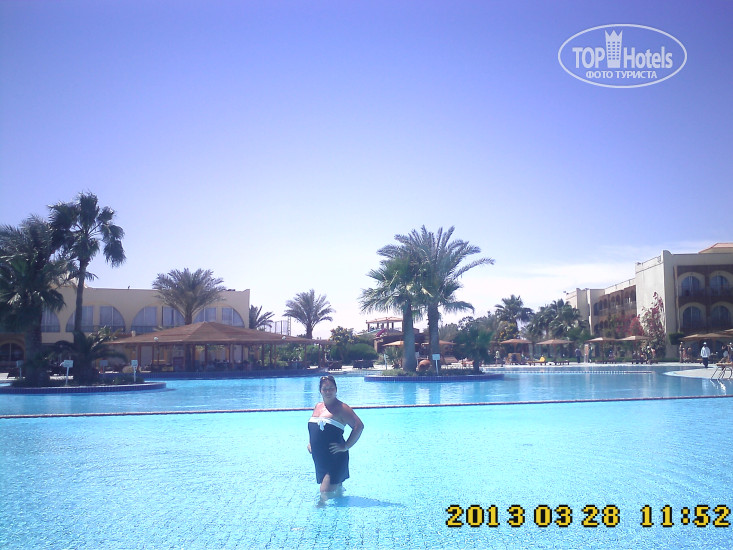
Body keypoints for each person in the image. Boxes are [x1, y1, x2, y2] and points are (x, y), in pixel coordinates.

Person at [307, 375, 364, 502]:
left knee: (324, 494)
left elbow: (359, 426)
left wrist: (346, 446)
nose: (328, 392)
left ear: (336, 389)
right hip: (320, 458)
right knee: (336, 493)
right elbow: (314, 428)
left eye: (331, 388)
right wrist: (311, 443)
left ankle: (321, 512)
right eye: (325, 389)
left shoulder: (342, 408)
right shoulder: (318, 406)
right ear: (320, 391)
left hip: (335, 458)